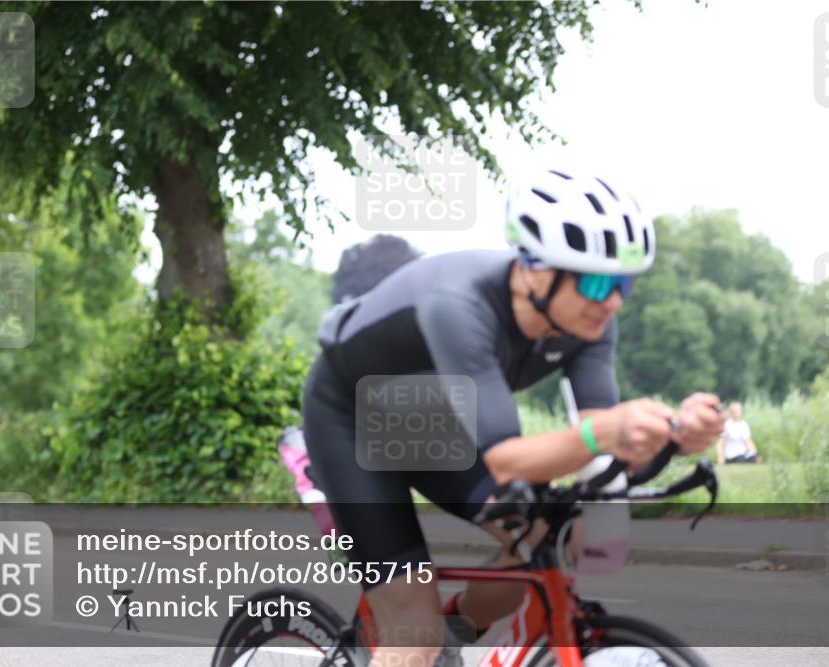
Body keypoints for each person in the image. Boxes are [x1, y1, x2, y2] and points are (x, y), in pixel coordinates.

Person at [302, 166, 726, 667]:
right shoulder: (460, 306)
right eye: (594, 283)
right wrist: (607, 430)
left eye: (624, 284)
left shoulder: (590, 324)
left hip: (433, 422)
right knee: (413, 635)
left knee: (547, 535)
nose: (612, 302)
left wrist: (675, 436)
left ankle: (456, 637)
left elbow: (605, 448)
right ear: (536, 270)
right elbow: (507, 460)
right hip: (350, 418)